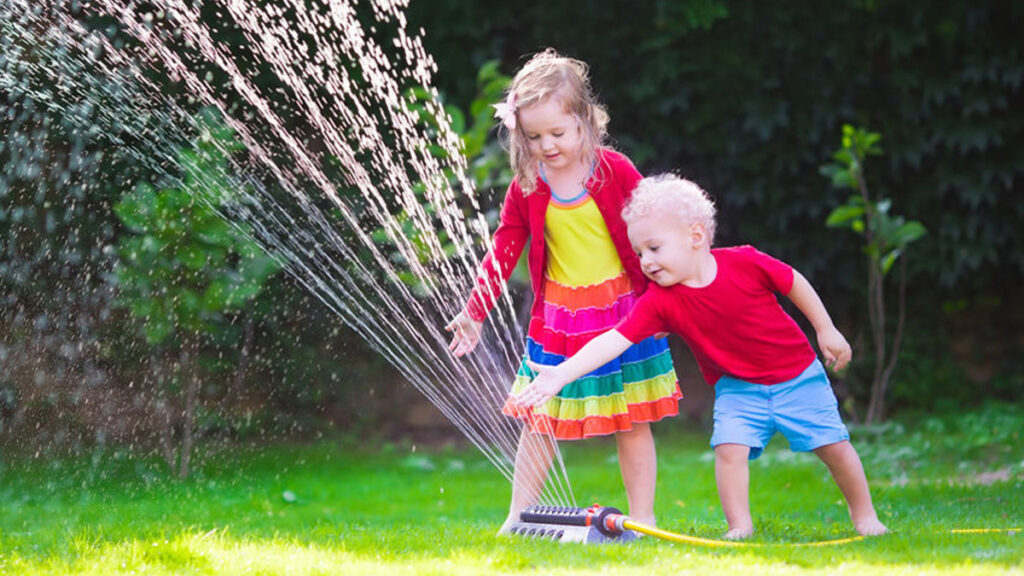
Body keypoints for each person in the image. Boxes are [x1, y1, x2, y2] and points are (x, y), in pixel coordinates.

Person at [514, 174, 888, 539]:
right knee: (728, 451)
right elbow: (615, 339)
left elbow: (793, 282)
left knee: (834, 448)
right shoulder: (659, 302)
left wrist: (826, 328)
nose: (645, 261)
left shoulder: (744, 262)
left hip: (797, 378)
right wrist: (562, 374)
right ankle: (740, 526)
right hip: (738, 390)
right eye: (639, 252)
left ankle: (865, 515)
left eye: (654, 248)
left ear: (695, 236)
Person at [445, 49, 681, 534]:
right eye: (533, 137)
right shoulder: (528, 184)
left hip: (623, 311)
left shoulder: (613, 169)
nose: (547, 145)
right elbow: (505, 248)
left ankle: (644, 518)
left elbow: (653, 219)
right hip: (560, 318)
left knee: (632, 420)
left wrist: (675, 274)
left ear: (585, 123)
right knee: (540, 419)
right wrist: (474, 311)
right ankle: (516, 516)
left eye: (558, 132)